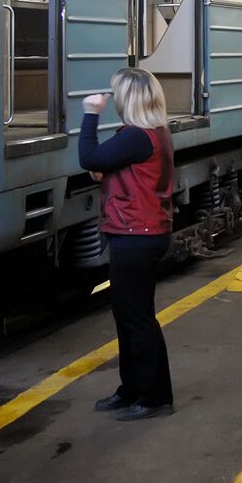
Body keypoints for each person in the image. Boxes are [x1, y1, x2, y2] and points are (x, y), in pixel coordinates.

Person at [79, 67, 175, 421]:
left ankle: (153, 397)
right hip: (140, 233)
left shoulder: (136, 136)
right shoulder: (154, 133)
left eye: (117, 92)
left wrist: (90, 114)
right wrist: (107, 171)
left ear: (129, 99)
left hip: (137, 235)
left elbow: (89, 156)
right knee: (129, 315)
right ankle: (131, 390)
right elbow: (116, 167)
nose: (113, 98)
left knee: (136, 318)